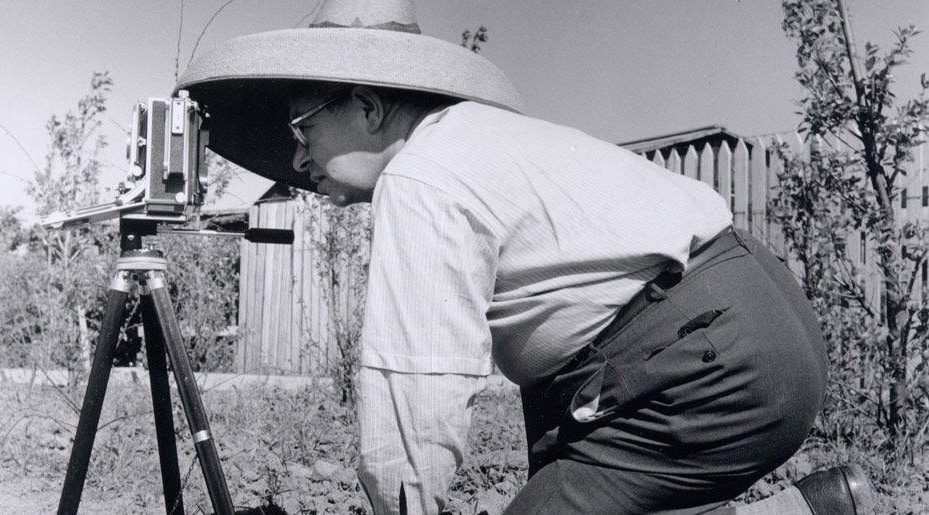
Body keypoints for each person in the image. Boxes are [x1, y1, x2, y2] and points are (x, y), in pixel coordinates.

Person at [176, 1, 874, 513]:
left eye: (302, 126)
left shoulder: (422, 177)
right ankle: (810, 509)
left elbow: (413, 390)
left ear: (366, 105)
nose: (297, 156)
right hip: (756, 328)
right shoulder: (477, 140)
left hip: (709, 364)